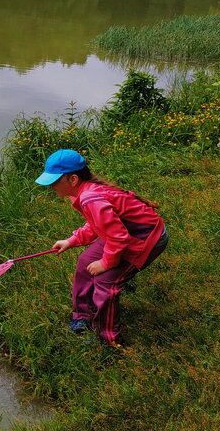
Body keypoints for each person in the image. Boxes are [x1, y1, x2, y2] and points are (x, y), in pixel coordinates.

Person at [36, 149, 168, 347]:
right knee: (85, 262)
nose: (51, 187)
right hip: (123, 234)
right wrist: (71, 241)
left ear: (72, 179)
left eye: (54, 182)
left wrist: (106, 263)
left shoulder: (91, 198)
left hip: (145, 238)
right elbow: (98, 225)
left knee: (106, 282)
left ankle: (108, 340)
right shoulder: (84, 193)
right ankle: (82, 316)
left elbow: (119, 238)